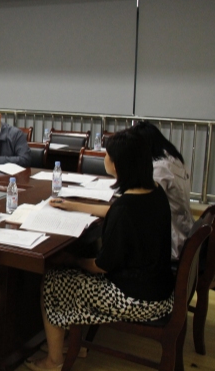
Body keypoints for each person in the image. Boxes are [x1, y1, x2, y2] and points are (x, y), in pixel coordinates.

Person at [27, 130, 174, 371]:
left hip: (137, 299)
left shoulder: (125, 209)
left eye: (108, 155)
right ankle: (70, 342)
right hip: (159, 288)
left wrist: (73, 260)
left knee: (53, 280)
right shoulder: (154, 191)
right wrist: (72, 205)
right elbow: (116, 211)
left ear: (119, 165)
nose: (104, 158)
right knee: (69, 272)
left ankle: (54, 360)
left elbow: (100, 266)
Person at [51, 122, 192, 261]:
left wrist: (72, 261)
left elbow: (103, 265)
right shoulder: (156, 185)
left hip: (159, 251)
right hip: (155, 256)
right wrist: (71, 205)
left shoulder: (157, 173)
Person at [132, 121, 193, 260]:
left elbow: (145, 203)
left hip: (171, 241)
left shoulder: (159, 168)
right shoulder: (173, 159)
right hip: (183, 229)